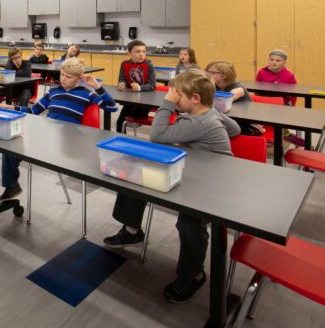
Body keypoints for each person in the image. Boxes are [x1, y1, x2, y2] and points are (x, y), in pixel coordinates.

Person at [103, 69, 241, 304]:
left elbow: (157, 135)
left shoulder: (199, 121)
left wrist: (166, 104)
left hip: (211, 183)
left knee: (190, 221)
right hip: (191, 169)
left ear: (195, 99)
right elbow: (235, 129)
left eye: (177, 94)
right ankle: (133, 232)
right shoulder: (210, 112)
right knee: (136, 176)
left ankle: (193, 274)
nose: (173, 97)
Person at [0, 58, 117, 200]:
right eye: (62, 75)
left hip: (68, 142)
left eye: (69, 77)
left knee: (14, 144)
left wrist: (97, 86)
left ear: (79, 78)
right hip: (47, 136)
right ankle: (12, 185)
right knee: (10, 147)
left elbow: (111, 107)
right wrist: (12, 107)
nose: (63, 79)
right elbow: (34, 110)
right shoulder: (53, 92)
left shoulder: (87, 94)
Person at [256, 49, 303, 145]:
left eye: (278, 60)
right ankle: (274, 135)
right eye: (271, 59)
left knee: (278, 121)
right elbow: (256, 90)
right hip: (264, 103)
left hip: (281, 105)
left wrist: (289, 107)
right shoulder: (261, 72)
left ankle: (284, 135)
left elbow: (292, 94)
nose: (274, 62)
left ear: (284, 62)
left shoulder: (289, 75)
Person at [205, 60, 258, 135]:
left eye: (212, 73)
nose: (208, 75)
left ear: (224, 76)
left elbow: (222, 102)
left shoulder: (238, 89)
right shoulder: (215, 87)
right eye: (208, 72)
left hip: (243, 124)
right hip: (227, 120)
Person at [116, 40, 157, 133]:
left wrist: (139, 88)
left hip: (147, 101)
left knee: (136, 114)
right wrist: (121, 84)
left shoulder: (148, 65)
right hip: (131, 99)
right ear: (129, 53)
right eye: (138, 51)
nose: (141, 54)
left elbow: (152, 85)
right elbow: (122, 79)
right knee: (119, 122)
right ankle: (121, 140)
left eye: (143, 51)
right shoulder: (124, 64)